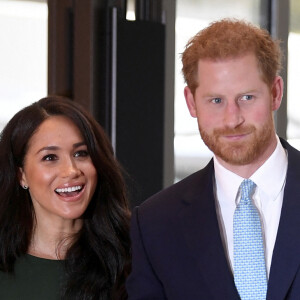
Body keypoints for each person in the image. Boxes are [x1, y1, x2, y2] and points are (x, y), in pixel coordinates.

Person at [126, 19, 300, 299]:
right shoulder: (155, 225)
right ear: (191, 102)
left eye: (246, 97)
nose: (232, 119)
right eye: (216, 101)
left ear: (275, 93)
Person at [0, 96, 131, 299]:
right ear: (21, 175)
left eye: (81, 153)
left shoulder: (135, 258)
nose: (71, 171)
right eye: (50, 158)